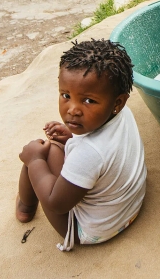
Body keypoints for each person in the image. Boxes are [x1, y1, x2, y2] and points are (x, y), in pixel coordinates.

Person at [15, 39, 147, 252]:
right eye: (66, 96)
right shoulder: (122, 113)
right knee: (58, 145)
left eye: (88, 101)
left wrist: (35, 160)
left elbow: (56, 203)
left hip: (91, 231)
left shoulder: (89, 153)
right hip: (128, 208)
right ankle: (29, 192)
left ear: (117, 102)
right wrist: (72, 135)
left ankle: (26, 207)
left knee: (44, 150)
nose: (73, 110)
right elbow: (106, 149)